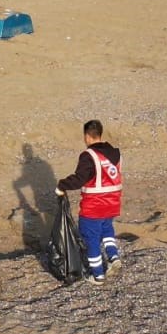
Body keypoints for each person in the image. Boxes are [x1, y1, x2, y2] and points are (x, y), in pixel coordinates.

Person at [56, 120, 123, 286]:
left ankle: (98, 275)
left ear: (87, 136)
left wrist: (61, 185)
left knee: (91, 238)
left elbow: (80, 179)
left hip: (94, 205)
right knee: (107, 229)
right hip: (112, 202)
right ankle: (113, 256)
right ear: (100, 133)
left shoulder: (89, 156)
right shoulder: (116, 154)